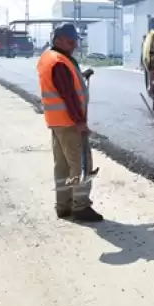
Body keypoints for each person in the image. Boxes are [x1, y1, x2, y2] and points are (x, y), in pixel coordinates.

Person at [36, 23, 103, 222]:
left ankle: (63, 206)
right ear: (58, 40)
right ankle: (81, 206)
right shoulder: (59, 62)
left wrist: (82, 77)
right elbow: (68, 96)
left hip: (56, 122)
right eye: (70, 41)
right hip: (69, 123)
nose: (74, 45)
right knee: (81, 165)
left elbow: (61, 86)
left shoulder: (51, 58)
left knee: (63, 165)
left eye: (75, 41)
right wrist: (80, 122)